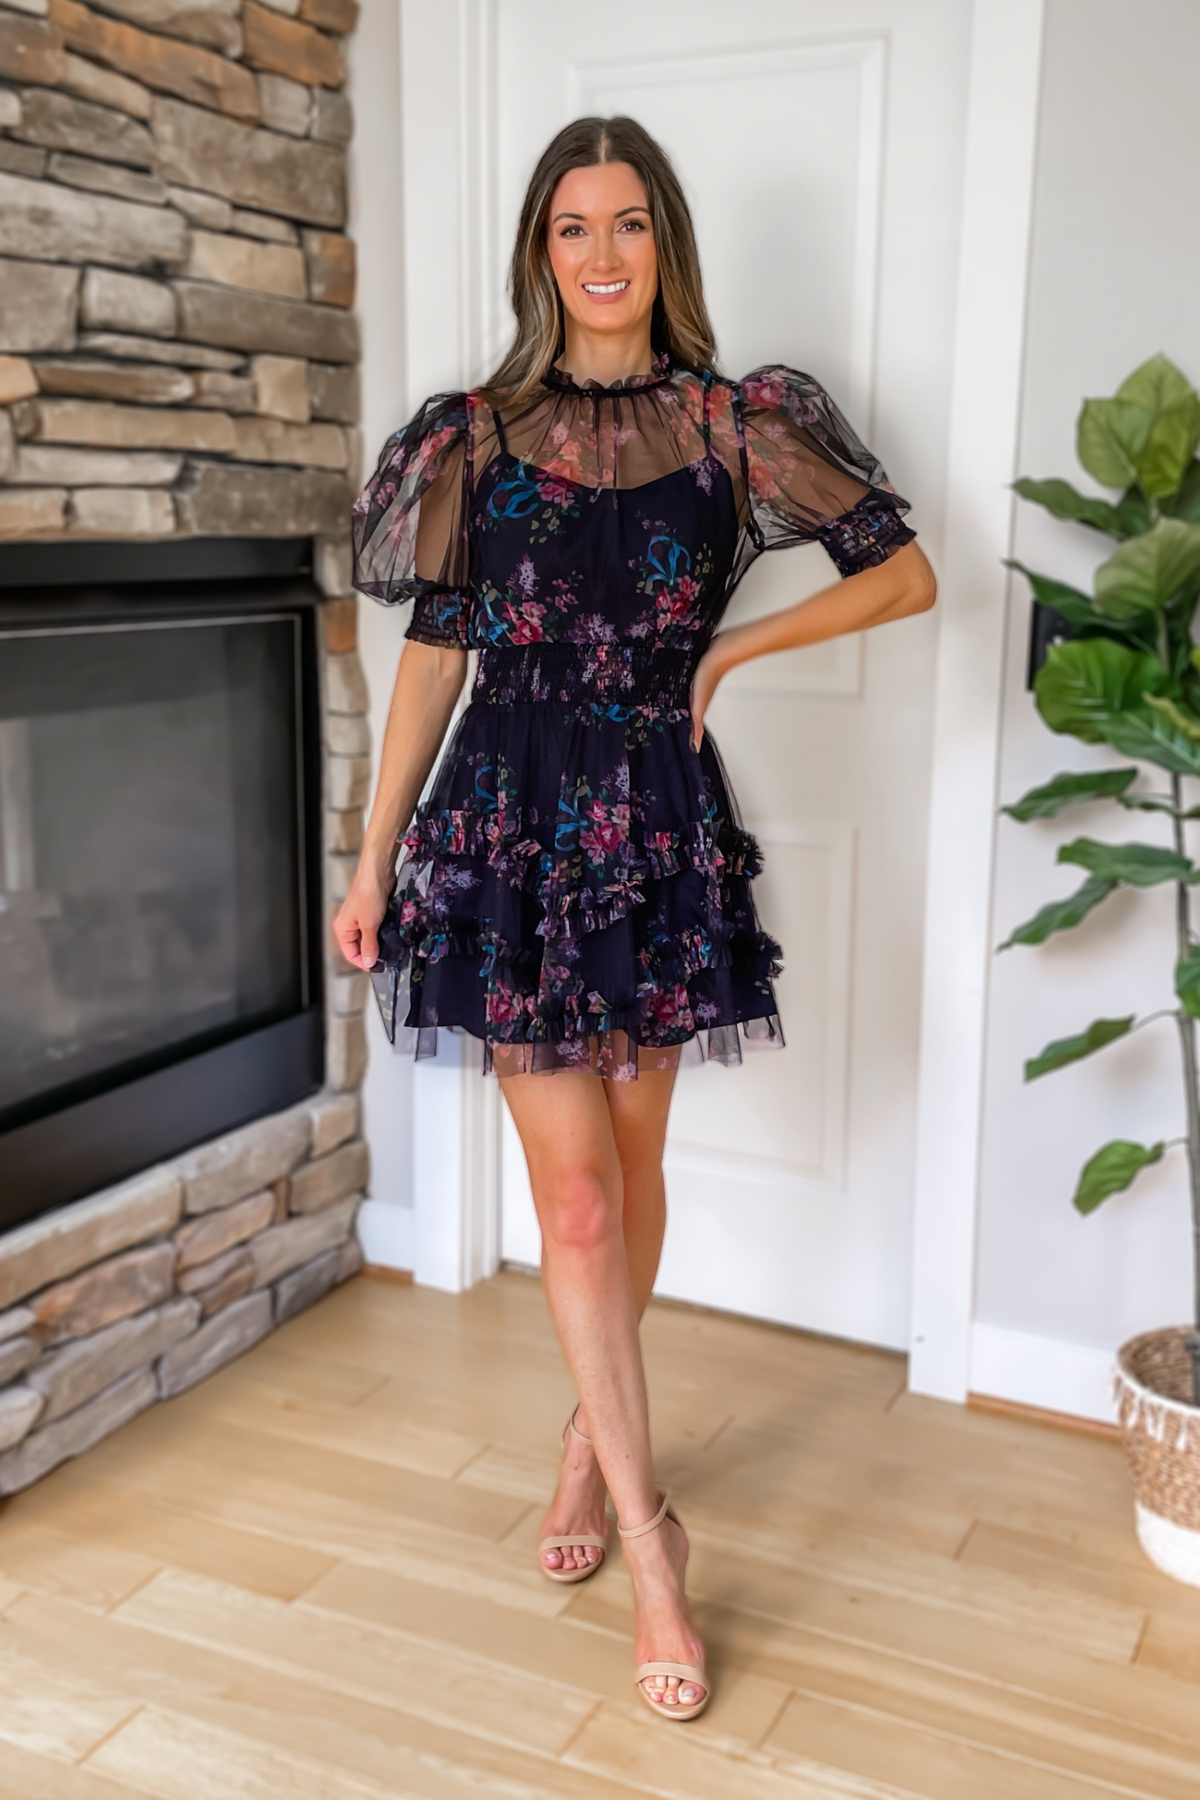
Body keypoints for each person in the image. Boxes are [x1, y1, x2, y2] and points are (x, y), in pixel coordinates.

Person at [337, 115, 936, 1723]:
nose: (601, 255)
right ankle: (654, 1539)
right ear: (541, 253)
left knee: (635, 1168)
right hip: (505, 828)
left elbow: (904, 575)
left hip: (657, 830)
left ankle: (585, 1441)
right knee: (579, 1205)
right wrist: (371, 857)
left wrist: (730, 654)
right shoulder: (473, 437)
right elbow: (435, 659)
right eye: (571, 228)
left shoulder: (739, 425)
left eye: (627, 224)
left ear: (664, 239)